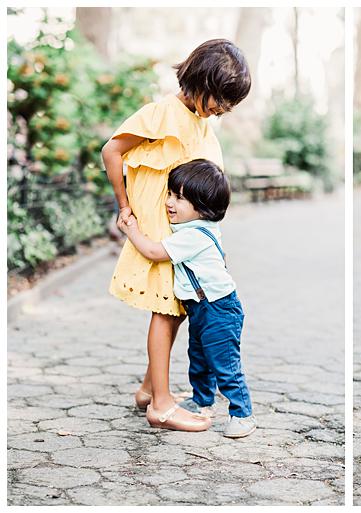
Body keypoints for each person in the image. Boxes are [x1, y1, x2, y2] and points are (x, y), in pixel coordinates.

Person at [102, 39, 251, 431]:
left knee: (181, 306)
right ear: (202, 83)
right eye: (220, 99)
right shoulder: (163, 114)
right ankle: (162, 406)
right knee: (166, 310)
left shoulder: (200, 123)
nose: (223, 109)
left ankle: (149, 390)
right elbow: (111, 151)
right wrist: (124, 205)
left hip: (187, 235)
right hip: (159, 228)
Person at [118, 159, 256, 438]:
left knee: (224, 363)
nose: (169, 202)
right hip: (202, 308)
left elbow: (155, 252)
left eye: (179, 198)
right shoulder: (189, 229)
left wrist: (131, 230)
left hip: (219, 309)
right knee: (199, 357)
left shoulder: (193, 235)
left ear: (203, 208)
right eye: (169, 194)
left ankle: (243, 414)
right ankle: (203, 400)